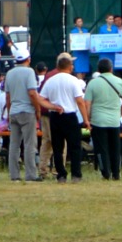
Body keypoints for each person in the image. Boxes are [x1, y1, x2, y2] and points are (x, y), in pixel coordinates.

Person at [39, 53, 87, 181]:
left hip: (55, 116)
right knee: (74, 146)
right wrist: (86, 119)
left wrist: (53, 106)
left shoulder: (51, 80)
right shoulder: (73, 80)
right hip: (70, 116)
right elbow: (80, 101)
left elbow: (41, 99)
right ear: (69, 66)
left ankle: (61, 174)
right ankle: (76, 174)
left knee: (57, 147)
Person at [86, 54, 122, 179]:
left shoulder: (92, 83)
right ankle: (116, 173)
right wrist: (120, 113)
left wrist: (88, 118)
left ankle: (105, 172)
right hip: (114, 120)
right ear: (111, 68)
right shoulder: (120, 82)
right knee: (115, 148)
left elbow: (87, 103)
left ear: (98, 69)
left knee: (101, 149)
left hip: (98, 120)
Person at [2, 52, 41, 179]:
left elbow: (7, 96)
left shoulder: (9, 73)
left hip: (14, 111)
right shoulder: (29, 72)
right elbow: (32, 93)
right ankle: (31, 174)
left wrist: (9, 112)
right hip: (27, 111)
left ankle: (14, 174)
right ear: (28, 59)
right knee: (29, 144)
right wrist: (38, 109)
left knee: (14, 145)